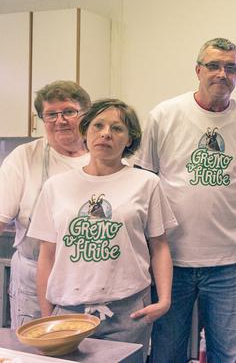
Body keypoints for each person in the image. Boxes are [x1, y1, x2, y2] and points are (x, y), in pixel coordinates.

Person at [135, 38, 236, 362]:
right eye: (213, 65)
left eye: (230, 68)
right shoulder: (164, 115)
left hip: (229, 263)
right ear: (198, 70)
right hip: (171, 261)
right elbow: (142, 186)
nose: (221, 74)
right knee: (166, 351)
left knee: (227, 353)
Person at [28, 99, 176, 356]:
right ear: (85, 132)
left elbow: (160, 246)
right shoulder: (56, 186)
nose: (106, 133)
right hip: (68, 311)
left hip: (129, 312)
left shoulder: (146, 183)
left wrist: (164, 300)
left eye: (117, 128)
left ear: (130, 139)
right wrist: (46, 313)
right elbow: (47, 254)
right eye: (98, 125)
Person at [0, 80, 91, 329]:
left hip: (90, 277)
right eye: (50, 114)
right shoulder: (25, 157)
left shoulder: (104, 155)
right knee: (37, 351)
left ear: (86, 114)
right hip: (33, 277)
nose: (59, 120)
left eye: (69, 111)